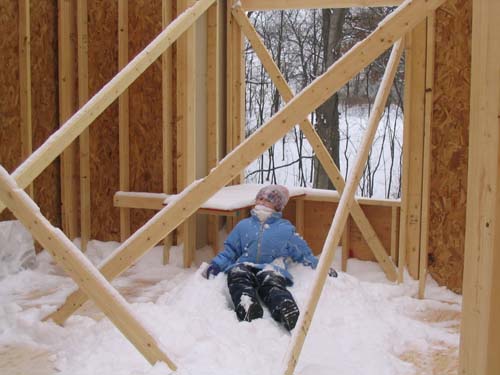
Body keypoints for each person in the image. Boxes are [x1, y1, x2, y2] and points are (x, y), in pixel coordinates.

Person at [203, 184, 337, 331]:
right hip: (245, 264)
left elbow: (303, 253)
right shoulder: (244, 225)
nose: (261, 202)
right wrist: (216, 264)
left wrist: (321, 267)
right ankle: (247, 304)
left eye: (267, 200)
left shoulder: (285, 229)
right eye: (259, 198)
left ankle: (285, 307)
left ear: (277, 206)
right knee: (237, 276)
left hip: (272, 266)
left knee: (272, 284)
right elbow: (231, 250)